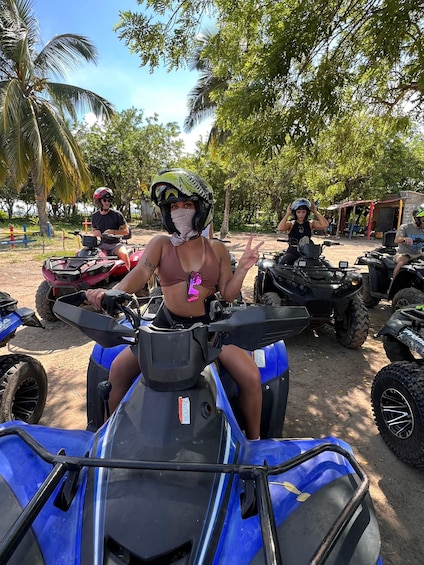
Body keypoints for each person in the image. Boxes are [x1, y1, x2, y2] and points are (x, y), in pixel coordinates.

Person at [86, 168, 264, 440]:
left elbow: (228, 294)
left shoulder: (215, 249)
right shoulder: (161, 244)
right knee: (118, 370)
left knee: (251, 378)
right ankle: (107, 435)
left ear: (200, 209)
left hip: (207, 329)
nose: (180, 211)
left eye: (188, 205)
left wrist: (242, 269)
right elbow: (141, 272)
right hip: (165, 325)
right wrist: (114, 291)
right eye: (174, 206)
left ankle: (254, 442)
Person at [277, 198, 328, 265]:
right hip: (293, 252)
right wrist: (287, 214)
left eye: (303, 212)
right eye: (298, 212)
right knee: (281, 265)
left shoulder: (310, 224)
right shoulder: (291, 224)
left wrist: (316, 212)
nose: (301, 215)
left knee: (323, 264)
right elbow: (280, 228)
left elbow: (325, 224)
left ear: (307, 213)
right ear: (295, 213)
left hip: (308, 252)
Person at [91, 187, 131, 270]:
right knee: (93, 260)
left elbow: (126, 231)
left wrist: (113, 232)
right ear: (99, 202)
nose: (107, 203)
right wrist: (95, 232)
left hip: (116, 245)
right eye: (104, 200)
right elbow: (94, 230)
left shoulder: (117, 215)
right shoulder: (94, 216)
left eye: (109, 200)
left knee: (124, 254)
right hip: (102, 245)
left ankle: (129, 274)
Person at [393, 204, 424, 278]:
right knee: (401, 263)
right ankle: (393, 283)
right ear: (417, 219)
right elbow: (397, 240)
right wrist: (404, 239)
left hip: (419, 254)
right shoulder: (405, 227)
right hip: (404, 254)